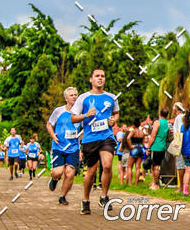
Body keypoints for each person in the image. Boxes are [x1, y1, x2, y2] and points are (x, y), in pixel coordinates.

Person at [71, 68, 119, 215]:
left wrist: (113, 120)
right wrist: (86, 115)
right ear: (91, 79)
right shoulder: (83, 98)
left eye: (103, 76)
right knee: (91, 172)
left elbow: (116, 113)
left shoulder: (111, 98)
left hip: (106, 137)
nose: (100, 78)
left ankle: (104, 196)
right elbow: (73, 117)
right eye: (97, 76)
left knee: (107, 165)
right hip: (90, 138)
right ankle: (85, 201)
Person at [47, 87, 82, 205]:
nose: (74, 97)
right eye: (71, 95)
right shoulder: (59, 111)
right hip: (58, 147)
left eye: (76, 95)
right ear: (66, 98)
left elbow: (83, 131)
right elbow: (49, 124)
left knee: (70, 173)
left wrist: (80, 147)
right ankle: (54, 179)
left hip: (73, 148)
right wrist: (53, 135)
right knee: (58, 172)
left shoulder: (80, 114)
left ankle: (62, 196)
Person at [148, 108, 170, 190]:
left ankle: (156, 185)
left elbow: (153, 135)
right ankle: (153, 182)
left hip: (156, 146)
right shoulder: (166, 123)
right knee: (156, 165)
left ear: (159, 114)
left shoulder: (157, 122)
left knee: (155, 166)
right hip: (163, 146)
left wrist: (148, 147)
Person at [126, 119, 146, 186]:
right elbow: (143, 142)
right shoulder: (142, 132)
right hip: (140, 148)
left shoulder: (133, 131)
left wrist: (130, 146)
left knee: (130, 166)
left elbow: (128, 138)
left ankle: (130, 183)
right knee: (138, 167)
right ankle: (136, 184)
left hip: (134, 148)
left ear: (134, 125)